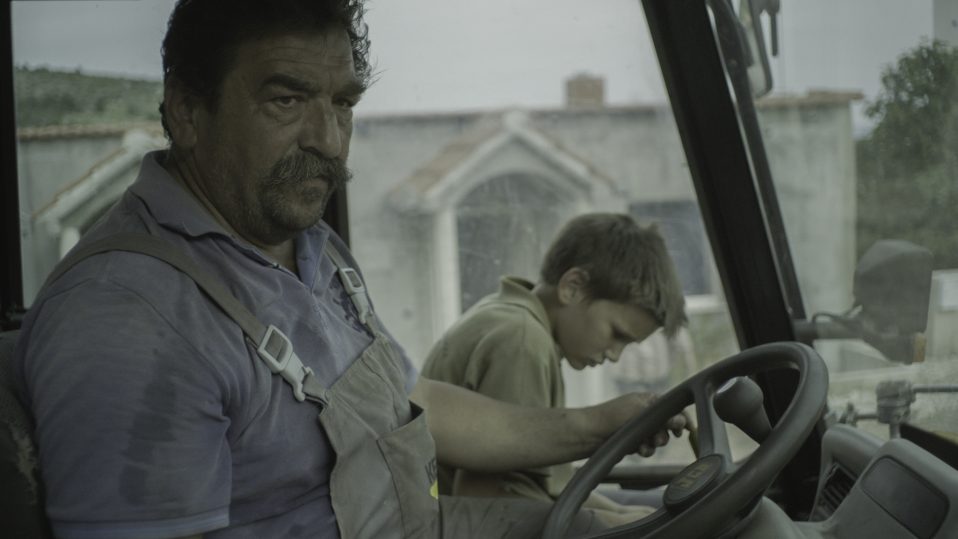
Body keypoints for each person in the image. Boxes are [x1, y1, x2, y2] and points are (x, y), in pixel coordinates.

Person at [12, 1, 686, 538]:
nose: (330, 141)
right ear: (188, 111)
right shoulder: (131, 316)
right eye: (286, 101)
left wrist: (599, 424)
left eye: (342, 104)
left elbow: (411, 402)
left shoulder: (309, 244)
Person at [421, 213, 688, 518]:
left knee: (645, 513)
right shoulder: (522, 340)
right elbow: (492, 497)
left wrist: (621, 514)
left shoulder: (516, 318)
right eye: (617, 334)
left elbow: (548, 484)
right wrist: (617, 523)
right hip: (455, 521)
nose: (615, 355)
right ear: (573, 287)